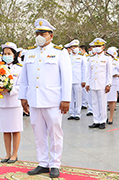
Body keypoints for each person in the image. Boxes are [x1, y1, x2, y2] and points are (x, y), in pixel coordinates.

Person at [18, 18, 72, 178]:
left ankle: (55, 163)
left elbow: (67, 77)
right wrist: (23, 97)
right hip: (34, 100)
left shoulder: (59, 52)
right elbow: (24, 78)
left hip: (53, 101)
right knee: (38, 132)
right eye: (37, 33)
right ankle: (42, 163)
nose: (39, 36)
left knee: (55, 133)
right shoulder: (29, 53)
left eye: (43, 33)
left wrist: (66, 99)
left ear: (51, 35)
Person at [0, 42, 23, 164]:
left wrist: (9, 90)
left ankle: (14, 154)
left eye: (9, 53)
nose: (6, 55)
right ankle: (7, 154)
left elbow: (21, 86)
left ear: (14, 55)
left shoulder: (19, 69)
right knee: (5, 129)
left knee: (15, 129)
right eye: (4, 53)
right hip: (2, 102)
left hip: (15, 102)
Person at [86, 38, 112, 129]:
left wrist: (108, 84)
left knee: (102, 103)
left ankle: (103, 120)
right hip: (93, 83)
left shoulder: (107, 58)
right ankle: (96, 120)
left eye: (99, 46)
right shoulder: (91, 58)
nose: (97, 48)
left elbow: (109, 73)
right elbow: (88, 72)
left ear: (103, 47)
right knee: (94, 103)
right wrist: (87, 83)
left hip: (102, 84)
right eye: (95, 46)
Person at [67, 39, 86, 120]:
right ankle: (71, 113)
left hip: (78, 80)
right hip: (69, 80)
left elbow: (84, 69)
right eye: (74, 47)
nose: (75, 48)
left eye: (77, 46)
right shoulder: (67, 57)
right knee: (70, 97)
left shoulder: (81, 57)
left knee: (78, 97)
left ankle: (77, 113)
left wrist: (84, 80)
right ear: (71, 48)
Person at [106, 47, 119, 124]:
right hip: (105, 82)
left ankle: (111, 117)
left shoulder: (116, 61)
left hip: (113, 81)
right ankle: (104, 117)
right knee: (103, 101)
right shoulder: (104, 59)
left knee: (112, 100)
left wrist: (118, 74)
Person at [86, 42, 95, 116]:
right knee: (90, 95)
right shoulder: (88, 57)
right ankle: (90, 109)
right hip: (90, 79)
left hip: (98, 80)